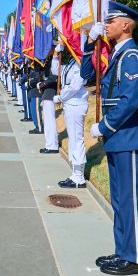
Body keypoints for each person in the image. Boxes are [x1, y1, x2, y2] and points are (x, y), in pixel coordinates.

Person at [81, 1, 138, 276]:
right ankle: (124, 250)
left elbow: (129, 101)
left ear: (125, 25)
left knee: (129, 199)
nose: (106, 25)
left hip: (126, 137)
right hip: (118, 138)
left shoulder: (131, 56)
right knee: (120, 199)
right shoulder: (117, 54)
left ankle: (136, 258)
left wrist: (104, 126)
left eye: (111, 22)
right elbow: (88, 75)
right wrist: (90, 42)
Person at [54, 42, 89, 189]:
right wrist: (56, 55)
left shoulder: (81, 62)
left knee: (76, 139)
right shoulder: (71, 61)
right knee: (73, 140)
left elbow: (75, 85)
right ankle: (75, 174)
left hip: (76, 104)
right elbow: (56, 71)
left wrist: (61, 97)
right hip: (70, 104)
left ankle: (79, 177)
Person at [37, 53, 59, 154]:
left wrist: (42, 84)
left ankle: (52, 145)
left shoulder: (55, 61)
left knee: (50, 121)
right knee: (47, 121)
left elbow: (54, 78)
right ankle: (49, 144)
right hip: (47, 93)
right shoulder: (49, 60)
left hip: (50, 93)